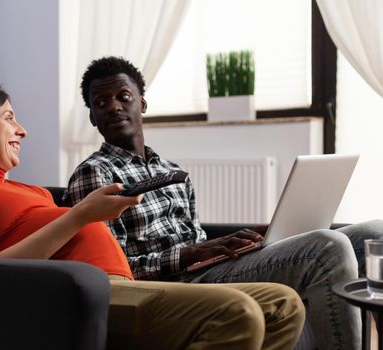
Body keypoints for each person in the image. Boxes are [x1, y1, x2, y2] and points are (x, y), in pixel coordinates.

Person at [0, 79, 304, 350]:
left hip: (126, 284)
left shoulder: (27, 190)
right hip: (82, 298)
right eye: (9, 118)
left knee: (283, 303)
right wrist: (81, 215)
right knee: (237, 313)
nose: (23, 130)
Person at [63, 56, 383, 350]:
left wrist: (242, 241)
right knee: (327, 247)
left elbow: (197, 242)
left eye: (123, 96)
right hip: (177, 285)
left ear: (142, 103)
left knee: (375, 234)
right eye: (101, 102)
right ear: (92, 117)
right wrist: (194, 253)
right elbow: (113, 272)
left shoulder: (172, 171)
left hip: (207, 269)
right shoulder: (95, 174)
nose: (113, 107)